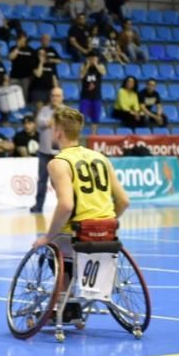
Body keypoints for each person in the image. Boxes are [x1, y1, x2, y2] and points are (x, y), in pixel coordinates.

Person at [32, 106, 130, 314]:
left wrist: (48, 236)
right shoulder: (101, 158)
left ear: (58, 132)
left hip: (78, 232)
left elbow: (66, 205)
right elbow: (123, 200)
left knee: (50, 249)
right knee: (72, 246)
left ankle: (65, 303)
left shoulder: (59, 163)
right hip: (108, 231)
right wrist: (107, 222)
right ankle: (77, 298)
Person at [31, 86, 64, 213]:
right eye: (53, 96)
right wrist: (50, 121)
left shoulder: (67, 112)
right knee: (42, 181)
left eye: (58, 96)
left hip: (60, 153)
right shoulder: (44, 110)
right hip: (45, 152)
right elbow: (40, 122)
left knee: (61, 182)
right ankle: (38, 206)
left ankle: (64, 206)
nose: (55, 98)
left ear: (62, 98)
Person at [78, 52, 105, 132]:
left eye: (94, 58)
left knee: (95, 118)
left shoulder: (100, 66)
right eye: (91, 58)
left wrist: (95, 64)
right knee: (82, 117)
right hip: (85, 96)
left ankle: (93, 135)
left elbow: (103, 73)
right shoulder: (83, 66)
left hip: (96, 96)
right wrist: (88, 65)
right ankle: (78, 135)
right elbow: (81, 76)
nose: (92, 60)